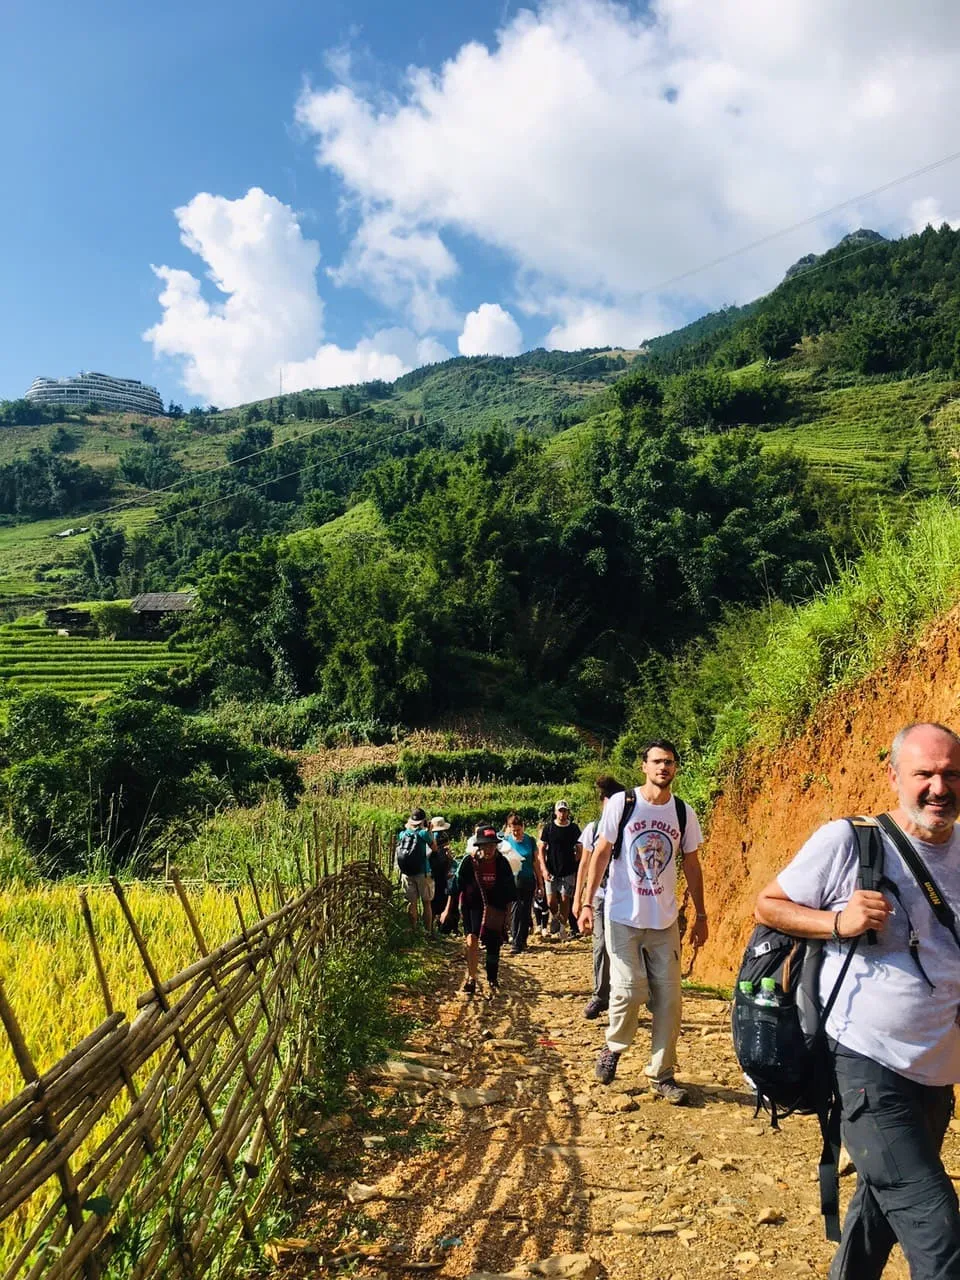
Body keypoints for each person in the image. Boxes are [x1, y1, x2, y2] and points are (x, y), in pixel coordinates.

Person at [754, 721, 960, 1280]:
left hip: (937, 1071)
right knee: (940, 1237)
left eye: (950, 774)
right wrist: (837, 922)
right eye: (924, 774)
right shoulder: (850, 840)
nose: (939, 788)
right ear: (894, 776)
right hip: (866, 1064)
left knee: (878, 1209)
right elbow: (769, 906)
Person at [578, 740, 707, 1102]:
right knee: (629, 990)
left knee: (670, 1000)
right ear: (644, 767)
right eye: (656, 762)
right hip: (622, 916)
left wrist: (701, 913)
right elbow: (601, 852)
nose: (662, 767)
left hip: (664, 921)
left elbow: (692, 865)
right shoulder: (623, 804)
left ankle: (662, 1073)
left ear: (675, 768)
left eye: (668, 762)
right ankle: (614, 1047)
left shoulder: (684, 813)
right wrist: (587, 903)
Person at [573, 775, 625, 1019]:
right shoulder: (593, 828)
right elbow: (585, 864)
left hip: (626, 895)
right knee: (601, 944)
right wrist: (579, 898)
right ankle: (600, 996)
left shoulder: (629, 825)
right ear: (604, 802)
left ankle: (629, 996)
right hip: (601, 895)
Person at [443, 824, 517, 996]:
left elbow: (509, 892)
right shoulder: (469, 862)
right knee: (471, 939)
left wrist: (507, 916)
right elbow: (455, 887)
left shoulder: (502, 863)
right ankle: (471, 978)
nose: (489, 849)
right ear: (479, 846)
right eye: (485, 845)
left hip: (495, 907)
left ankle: (492, 977)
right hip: (472, 905)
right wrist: (447, 910)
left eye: (492, 845)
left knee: (493, 943)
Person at [537, 800, 582, 941]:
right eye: (560, 811)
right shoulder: (549, 828)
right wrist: (543, 869)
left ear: (568, 812)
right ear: (555, 812)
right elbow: (541, 849)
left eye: (564, 811)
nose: (562, 813)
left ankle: (562, 929)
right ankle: (555, 917)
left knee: (565, 899)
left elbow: (580, 846)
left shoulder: (574, 828)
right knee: (551, 901)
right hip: (551, 869)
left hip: (568, 870)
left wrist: (576, 861)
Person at [501, 812, 542, 954]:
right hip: (512, 881)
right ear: (509, 828)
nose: (516, 833)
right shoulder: (506, 842)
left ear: (523, 827)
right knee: (515, 909)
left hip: (528, 879)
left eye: (518, 830)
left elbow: (536, 863)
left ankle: (522, 938)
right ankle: (516, 941)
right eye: (514, 830)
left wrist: (540, 882)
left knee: (525, 911)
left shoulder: (530, 841)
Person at [395, 807, 433, 932]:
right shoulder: (423, 834)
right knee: (426, 903)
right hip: (423, 872)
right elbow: (435, 848)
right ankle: (428, 931)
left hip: (407, 872)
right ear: (424, 821)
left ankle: (413, 929)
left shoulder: (402, 834)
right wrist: (430, 831)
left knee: (412, 903)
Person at [428, 816, 454, 930]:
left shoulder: (430, 837)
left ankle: (432, 926)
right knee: (441, 898)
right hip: (442, 872)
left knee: (433, 901)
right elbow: (448, 858)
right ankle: (441, 925)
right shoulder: (443, 837)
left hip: (433, 872)